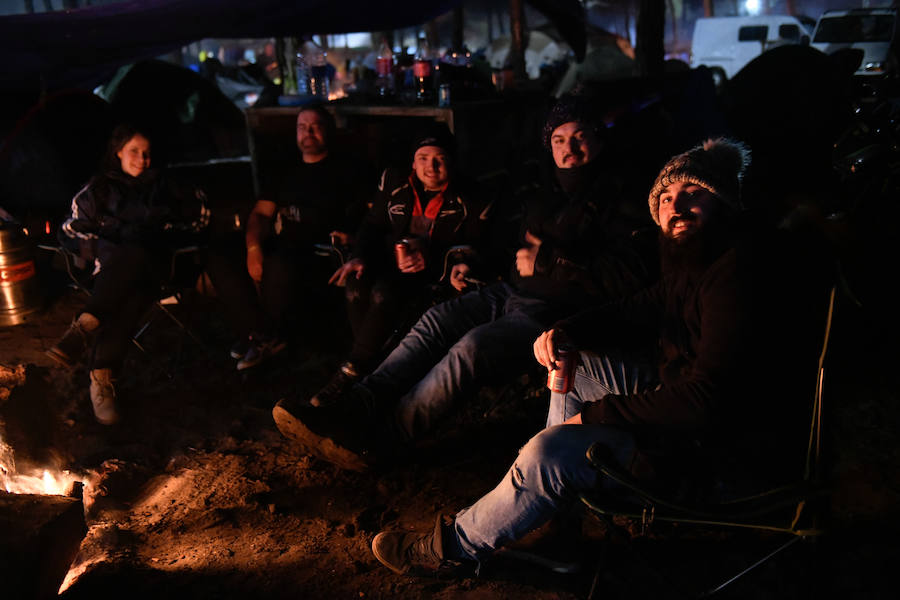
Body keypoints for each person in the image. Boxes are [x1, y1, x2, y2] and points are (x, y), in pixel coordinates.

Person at [367, 138, 833, 576]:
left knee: (549, 452)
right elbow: (642, 304)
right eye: (667, 196)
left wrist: (596, 415)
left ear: (725, 201)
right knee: (578, 362)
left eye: (694, 191)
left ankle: (452, 549)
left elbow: (707, 401)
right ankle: (555, 518)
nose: (677, 204)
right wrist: (568, 331)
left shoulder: (737, 275)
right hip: (693, 413)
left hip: (718, 456)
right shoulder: (698, 257)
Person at [272, 92, 656, 470]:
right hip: (511, 292)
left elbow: (631, 274)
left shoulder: (624, 194)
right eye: (559, 139)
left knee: (471, 349)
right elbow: (510, 248)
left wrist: (555, 260)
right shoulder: (545, 188)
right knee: (437, 321)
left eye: (579, 137)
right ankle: (356, 407)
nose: (568, 148)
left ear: (598, 139)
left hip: (559, 313)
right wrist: (466, 261)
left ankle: (383, 438)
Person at [303, 122, 495, 407]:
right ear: (413, 161)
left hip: (435, 273)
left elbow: (479, 246)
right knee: (356, 281)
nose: (431, 166)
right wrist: (359, 255)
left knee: (384, 292)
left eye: (439, 159)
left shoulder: (471, 196)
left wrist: (430, 252)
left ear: (451, 161)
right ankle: (373, 367)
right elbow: (373, 225)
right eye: (423, 158)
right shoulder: (395, 182)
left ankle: (351, 372)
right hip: (391, 263)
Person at [47, 123, 208, 425]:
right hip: (111, 276)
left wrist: (165, 231)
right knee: (131, 289)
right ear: (118, 151)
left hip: (161, 271)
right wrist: (108, 238)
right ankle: (103, 378)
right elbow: (70, 229)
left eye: (147, 153)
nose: (142, 159)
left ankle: (86, 327)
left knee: (139, 251)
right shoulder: (98, 190)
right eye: (134, 151)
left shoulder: (169, 186)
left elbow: (201, 220)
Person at [204, 103, 371, 370]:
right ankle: (261, 332)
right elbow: (260, 214)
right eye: (302, 127)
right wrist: (253, 249)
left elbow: (368, 212)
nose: (308, 132)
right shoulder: (284, 170)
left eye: (315, 126)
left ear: (328, 131)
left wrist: (352, 236)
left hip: (316, 248)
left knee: (281, 260)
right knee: (219, 253)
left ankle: (262, 337)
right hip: (280, 240)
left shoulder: (345, 170)